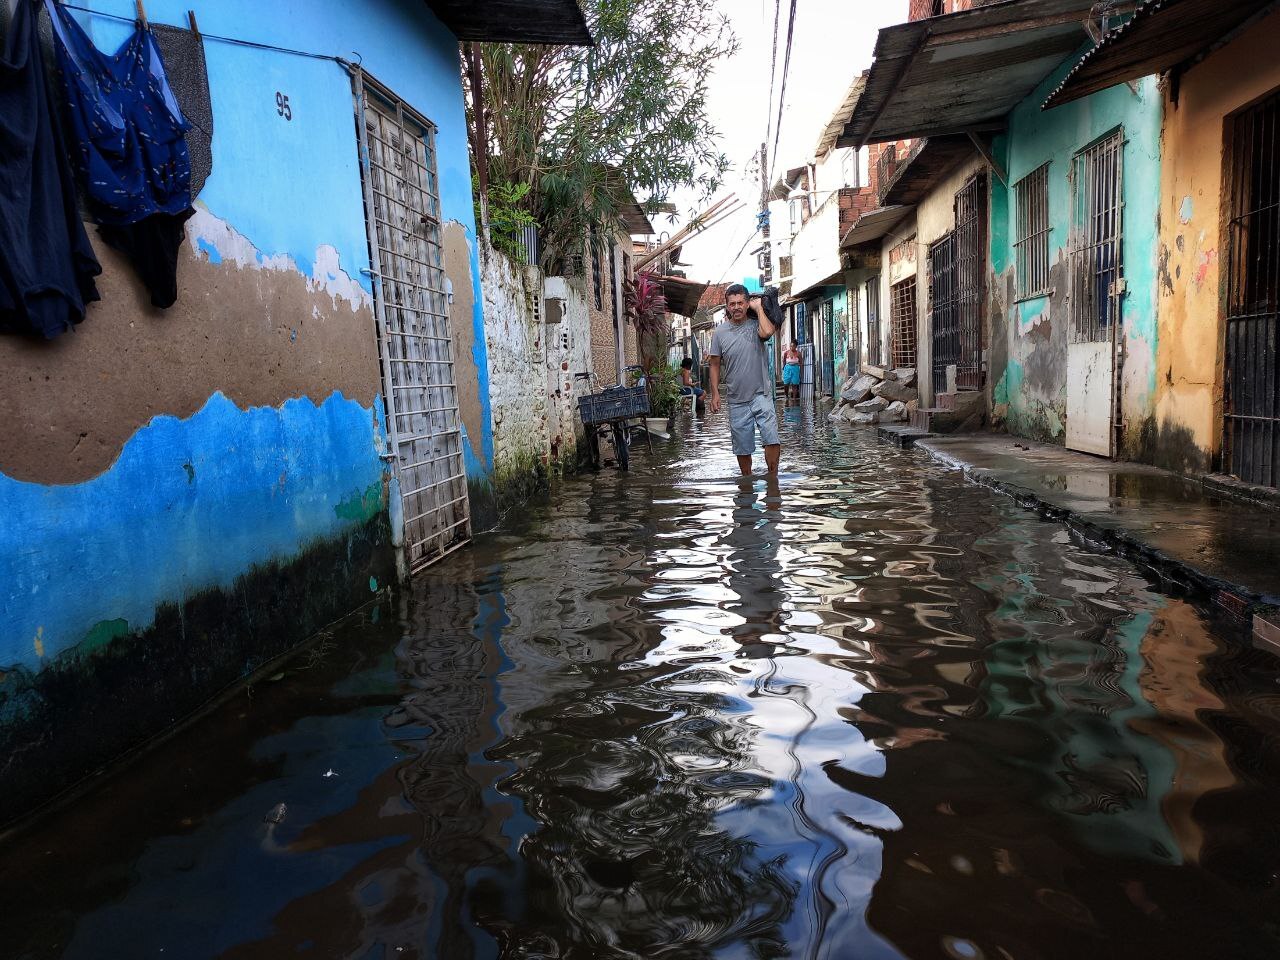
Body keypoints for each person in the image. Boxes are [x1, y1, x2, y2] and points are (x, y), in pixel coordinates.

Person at [708, 284, 781, 476]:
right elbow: (714, 364)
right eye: (732, 304)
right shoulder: (720, 333)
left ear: (747, 304)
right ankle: (747, 484)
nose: (737, 307)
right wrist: (715, 394)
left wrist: (758, 308)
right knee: (742, 447)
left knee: (771, 438)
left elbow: (767, 332)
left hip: (761, 394)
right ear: (727, 306)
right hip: (736, 399)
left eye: (741, 303)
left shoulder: (757, 324)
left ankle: (773, 481)